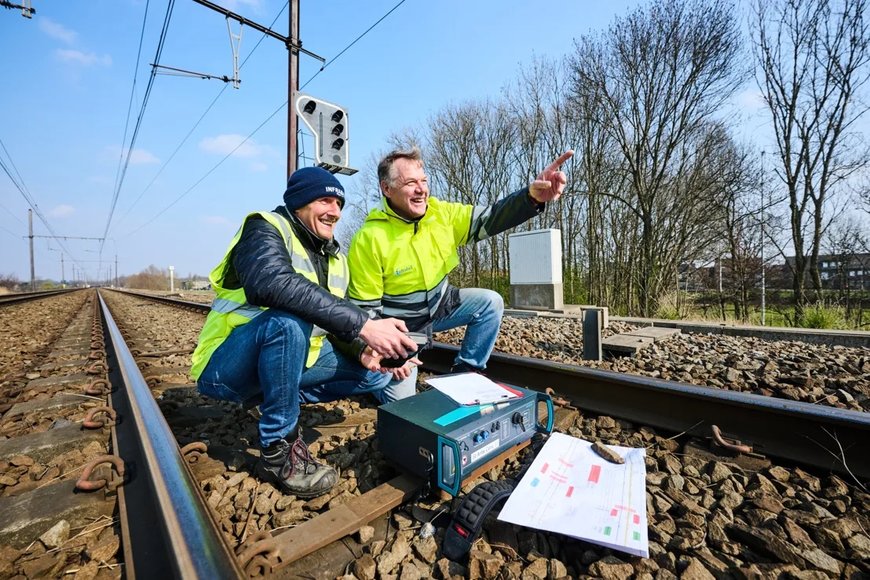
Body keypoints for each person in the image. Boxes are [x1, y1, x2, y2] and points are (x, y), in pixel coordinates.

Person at [190, 167, 419, 498]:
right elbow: (269, 283)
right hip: (225, 367)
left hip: (284, 359)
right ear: (299, 203)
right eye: (325, 200)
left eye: (340, 204)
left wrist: (362, 350)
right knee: (287, 321)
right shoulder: (265, 229)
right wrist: (364, 325)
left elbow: (330, 321)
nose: (335, 212)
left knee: (374, 376)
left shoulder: (333, 256)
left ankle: (272, 397)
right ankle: (278, 449)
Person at [348, 147, 574, 401]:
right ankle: (382, 381)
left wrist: (531, 198)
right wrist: (388, 355)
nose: (421, 189)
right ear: (386, 189)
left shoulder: (441, 214)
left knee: (490, 302)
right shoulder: (368, 240)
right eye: (411, 183)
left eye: (424, 181)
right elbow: (363, 312)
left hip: (440, 305)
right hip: (402, 329)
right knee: (403, 405)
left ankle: (466, 374)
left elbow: (490, 217)